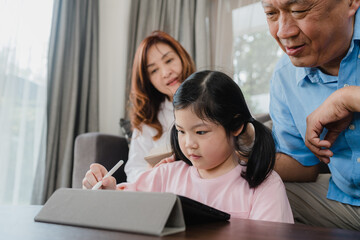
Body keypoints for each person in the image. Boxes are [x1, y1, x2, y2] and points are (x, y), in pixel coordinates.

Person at [83, 70, 294, 224]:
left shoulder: (264, 186)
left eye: (201, 132)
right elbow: (123, 208)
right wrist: (106, 190)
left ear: (236, 126)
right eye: (181, 131)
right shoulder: (165, 176)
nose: (188, 143)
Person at [261, 0, 360, 229]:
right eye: (271, 14)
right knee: (255, 190)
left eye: (299, 11)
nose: (284, 31)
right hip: (346, 202)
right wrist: (235, 151)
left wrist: (347, 98)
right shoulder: (284, 77)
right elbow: (303, 165)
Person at [125, 30, 195, 182]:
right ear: (147, 80)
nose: (165, 73)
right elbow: (134, 171)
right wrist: (152, 174)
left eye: (169, 60)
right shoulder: (148, 120)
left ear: (182, 57)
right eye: (154, 70)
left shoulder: (215, 94)